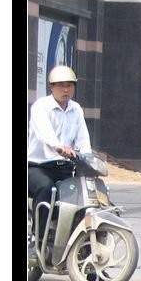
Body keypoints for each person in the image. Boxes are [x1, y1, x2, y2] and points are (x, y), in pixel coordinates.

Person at [27, 65, 92, 237]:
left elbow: (83, 139)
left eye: (69, 85)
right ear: (51, 87)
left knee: (81, 197)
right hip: (37, 167)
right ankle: (37, 241)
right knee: (45, 188)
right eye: (61, 85)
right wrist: (57, 146)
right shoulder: (41, 106)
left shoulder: (76, 109)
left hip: (64, 168)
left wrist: (88, 157)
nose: (66, 89)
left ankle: (76, 244)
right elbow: (44, 132)